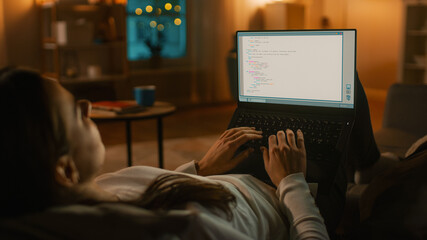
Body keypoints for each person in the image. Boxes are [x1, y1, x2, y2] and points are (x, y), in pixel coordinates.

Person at [0, 66, 329, 239]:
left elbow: (148, 193)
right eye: (74, 112)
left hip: (230, 176)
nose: (86, 104)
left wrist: (200, 167)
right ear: (65, 170)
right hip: (290, 198)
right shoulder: (179, 230)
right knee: (335, 104)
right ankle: (368, 173)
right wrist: (292, 181)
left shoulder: (89, 192)